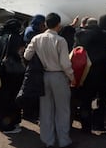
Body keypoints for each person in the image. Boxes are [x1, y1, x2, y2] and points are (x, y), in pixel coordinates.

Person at [24, 13, 75, 148]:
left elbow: (27, 55)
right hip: (59, 76)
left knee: (46, 109)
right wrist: (72, 77)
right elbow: (65, 64)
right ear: (58, 25)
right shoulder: (60, 40)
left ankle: (48, 140)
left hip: (44, 76)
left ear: (45, 24)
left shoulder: (36, 38)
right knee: (62, 110)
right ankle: (64, 140)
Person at [73, 18, 106, 133]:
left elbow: (76, 51)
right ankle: (99, 124)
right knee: (102, 99)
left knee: (86, 100)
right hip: (103, 72)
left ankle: (86, 127)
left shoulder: (80, 34)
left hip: (87, 71)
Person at [0, 19, 25, 134]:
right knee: (10, 101)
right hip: (12, 76)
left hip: (0, 73)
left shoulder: (1, 38)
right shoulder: (17, 39)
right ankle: (8, 126)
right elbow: (20, 57)